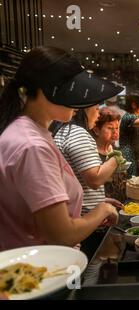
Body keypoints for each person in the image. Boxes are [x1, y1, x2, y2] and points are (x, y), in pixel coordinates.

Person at [0, 46, 120, 251]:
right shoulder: (32, 146)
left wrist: (86, 209)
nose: (80, 102)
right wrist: (102, 209)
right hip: (41, 272)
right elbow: (62, 235)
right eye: (73, 91)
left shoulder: (30, 132)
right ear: (46, 90)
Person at [92, 108, 127, 202]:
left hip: (121, 203)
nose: (115, 131)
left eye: (117, 128)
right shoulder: (92, 153)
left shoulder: (114, 148)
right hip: (103, 205)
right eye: (110, 128)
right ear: (96, 130)